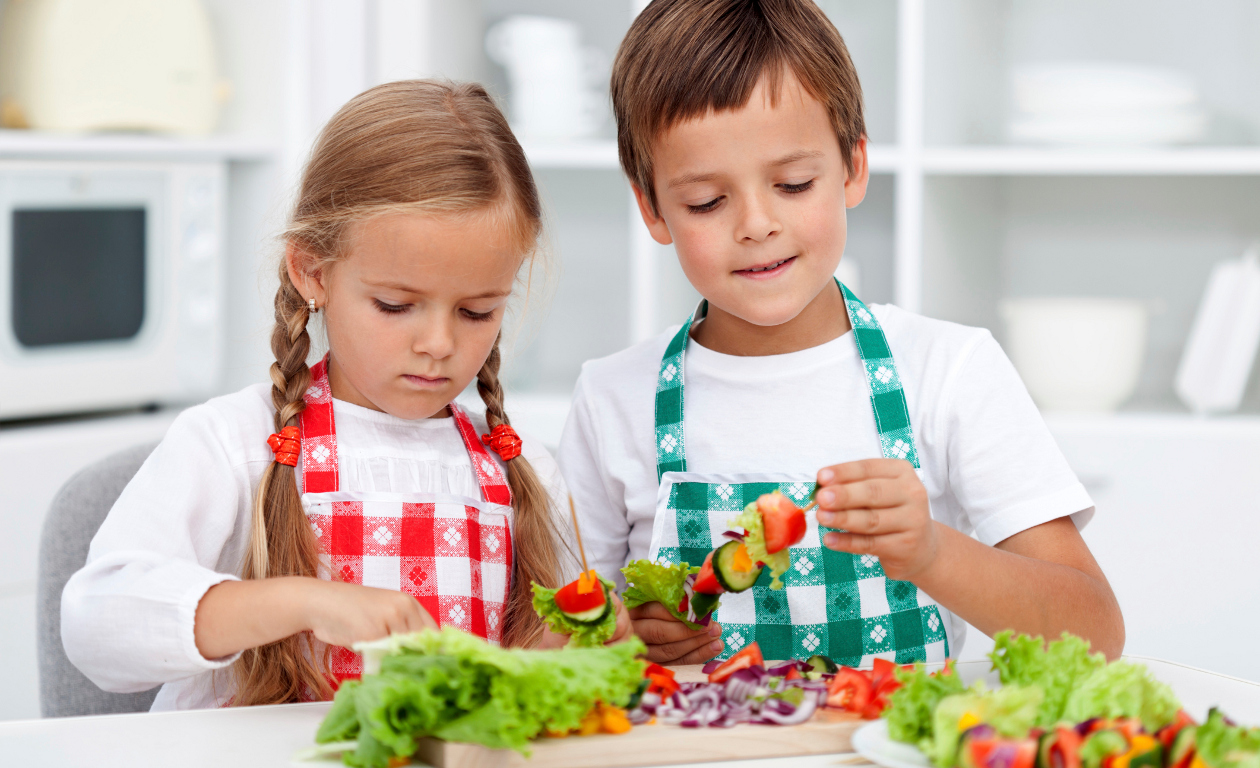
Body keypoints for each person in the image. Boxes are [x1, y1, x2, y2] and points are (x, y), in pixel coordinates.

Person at [559, 0, 1124, 668]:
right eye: (707, 202)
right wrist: (630, 638)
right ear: (652, 207)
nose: (757, 224)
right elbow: (563, 630)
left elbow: (1095, 633)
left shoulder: (948, 370)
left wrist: (934, 553)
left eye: (794, 184)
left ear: (853, 169)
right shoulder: (611, 397)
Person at [62, 80, 628, 710]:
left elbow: (567, 653)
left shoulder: (522, 468)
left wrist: (585, 643)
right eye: (395, 304)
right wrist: (301, 602)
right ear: (313, 272)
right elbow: (96, 625)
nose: (438, 343)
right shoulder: (235, 444)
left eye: (476, 311)